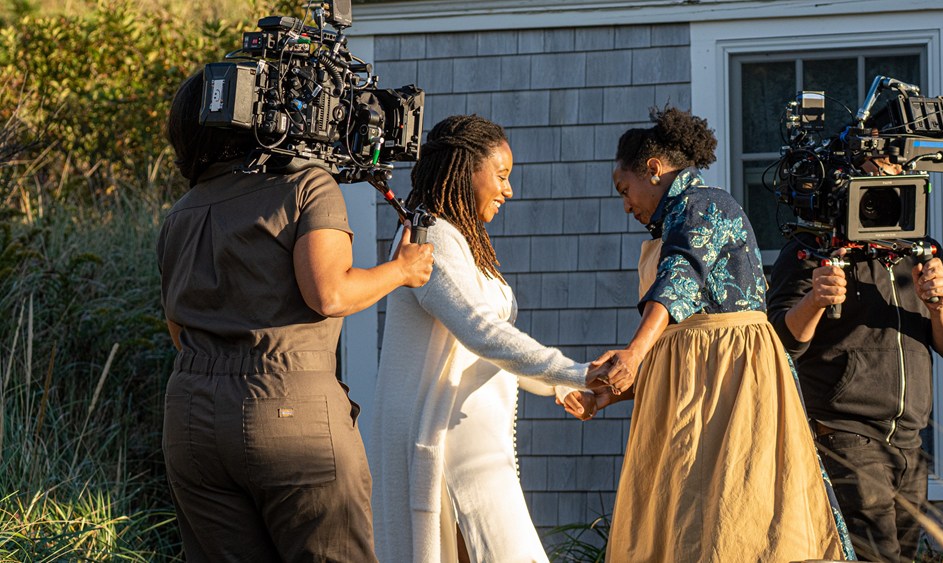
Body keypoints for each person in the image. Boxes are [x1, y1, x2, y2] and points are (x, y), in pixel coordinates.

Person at [157, 71, 434, 562]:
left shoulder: (180, 212)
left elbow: (178, 329)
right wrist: (402, 270)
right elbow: (328, 293)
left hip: (190, 420)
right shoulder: (305, 186)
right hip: (286, 408)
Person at [560, 105, 849, 562]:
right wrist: (610, 393)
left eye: (625, 188)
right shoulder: (671, 225)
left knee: (734, 530)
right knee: (685, 532)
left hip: (731, 389)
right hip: (693, 394)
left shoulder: (706, 205)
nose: (625, 204)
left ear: (653, 170)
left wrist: (634, 352)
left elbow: (680, 275)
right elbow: (677, 348)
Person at [370, 114, 610, 563]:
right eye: (501, 176)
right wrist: (574, 371)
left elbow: (488, 349)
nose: (509, 190)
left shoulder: (459, 238)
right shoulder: (432, 237)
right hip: (446, 442)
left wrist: (561, 385)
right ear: (464, 171)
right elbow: (481, 331)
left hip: (473, 439)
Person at [766, 155, 943, 563]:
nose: (886, 181)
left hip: (910, 440)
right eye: (875, 170)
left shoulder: (924, 253)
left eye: (896, 171)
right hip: (847, 433)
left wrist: (940, 305)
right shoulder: (812, 246)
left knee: (901, 556)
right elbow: (780, 343)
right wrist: (815, 300)